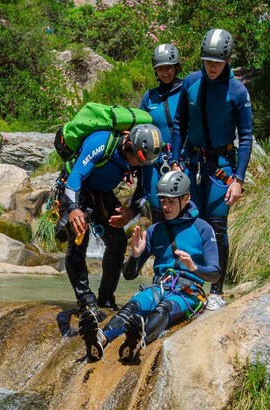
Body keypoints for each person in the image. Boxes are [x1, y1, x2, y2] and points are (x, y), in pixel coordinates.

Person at [79, 170, 220, 362]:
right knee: (132, 307)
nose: (165, 206)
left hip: (189, 292)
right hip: (159, 286)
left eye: (171, 201)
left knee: (163, 309)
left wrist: (194, 267)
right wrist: (135, 255)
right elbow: (129, 275)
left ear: (186, 199)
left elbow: (215, 274)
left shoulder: (203, 228)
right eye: (163, 201)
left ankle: (138, 340)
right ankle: (100, 339)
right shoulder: (155, 230)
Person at [170, 28, 253, 311]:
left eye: (217, 62)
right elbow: (179, 122)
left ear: (228, 59)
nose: (212, 67)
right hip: (191, 163)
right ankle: (192, 286)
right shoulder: (191, 83)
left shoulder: (238, 91)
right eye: (208, 62)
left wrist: (238, 179)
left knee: (217, 227)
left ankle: (216, 290)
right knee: (192, 222)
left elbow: (245, 135)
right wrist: (175, 159)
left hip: (221, 167)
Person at [59, 123, 163, 317]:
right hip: (74, 190)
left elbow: (145, 190)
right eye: (138, 161)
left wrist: (131, 212)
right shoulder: (100, 143)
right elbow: (74, 179)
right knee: (79, 238)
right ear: (129, 144)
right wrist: (73, 209)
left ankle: (106, 298)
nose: (140, 166)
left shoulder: (145, 159)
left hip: (102, 193)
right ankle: (85, 300)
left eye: (144, 163)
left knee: (117, 242)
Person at [139, 43, 184, 222]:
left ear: (176, 67)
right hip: (155, 163)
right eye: (161, 68)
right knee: (158, 211)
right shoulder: (149, 97)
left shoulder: (185, 90)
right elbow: (140, 131)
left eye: (169, 67)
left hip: (182, 160)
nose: (165, 72)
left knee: (182, 210)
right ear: (155, 71)